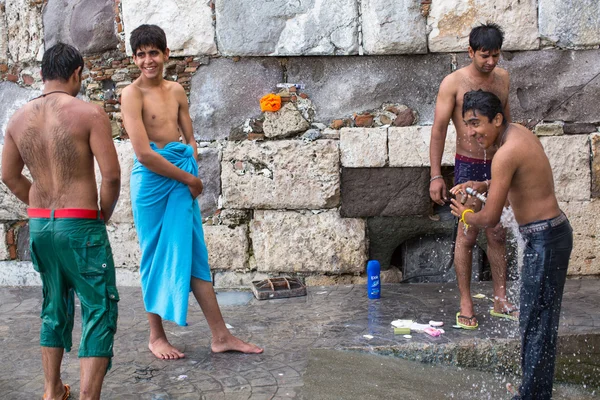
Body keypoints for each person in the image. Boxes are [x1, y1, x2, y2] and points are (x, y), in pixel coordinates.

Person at [121, 24, 263, 360]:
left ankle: (221, 335)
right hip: (153, 184)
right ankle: (156, 336)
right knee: (154, 255)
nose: (147, 60)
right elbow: (143, 153)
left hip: (181, 178)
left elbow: (191, 138)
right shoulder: (132, 94)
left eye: (153, 52)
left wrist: (192, 164)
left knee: (196, 255)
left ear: (166, 54)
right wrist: (189, 180)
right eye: (140, 55)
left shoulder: (176, 91)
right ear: (134, 58)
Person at [1, 43, 121, 400]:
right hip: (81, 222)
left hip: (41, 225)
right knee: (99, 307)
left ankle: (53, 391)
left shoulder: (18, 119)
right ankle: (87, 396)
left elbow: (8, 175)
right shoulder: (89, 113)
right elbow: (111, 176)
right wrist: (102, 214)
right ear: (77, 73)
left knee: (53, 305)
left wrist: (37, 202)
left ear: (42, 76)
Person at [450, 90, 572, 399]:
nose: (472, 132)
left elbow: (490, 217)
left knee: (535, 324)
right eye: (467, 124)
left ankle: (532, 395)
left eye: (476, 123)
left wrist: (465, 213)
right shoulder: (517, 134)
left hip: (545, 239)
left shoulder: (505, 153)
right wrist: (484, 185)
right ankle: (533, 390)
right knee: (537, 321)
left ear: (497, 119)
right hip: (550, 235)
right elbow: (513, 180)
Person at [429, 23, 516, 329]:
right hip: (466, 165)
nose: (490, 62)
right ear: (470, 52)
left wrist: (513, 161)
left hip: (497, 164)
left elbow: (505, 124)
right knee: (466, 233)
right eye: (484, 56)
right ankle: (466, 302)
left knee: (498, 232)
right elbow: (439, 130)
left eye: (495, 55)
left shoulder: (503, 79)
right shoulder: (453, 83)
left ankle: (500, 299)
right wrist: (436, 175)